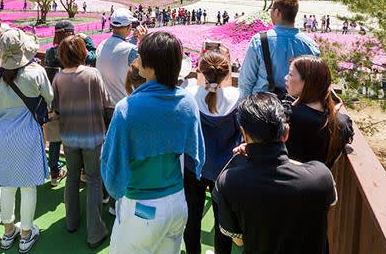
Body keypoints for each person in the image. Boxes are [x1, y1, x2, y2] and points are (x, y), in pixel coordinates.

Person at [101, 31, 205, 254]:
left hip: (142, 207)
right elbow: (197, 154)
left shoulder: (127, 108)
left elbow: (112, 167)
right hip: (177, 202)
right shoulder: (187, 101)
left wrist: (115, 193)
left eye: (140, 56)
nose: (136, 60)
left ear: (150, 67)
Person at [212, 93, 337, 253]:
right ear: (285, 133)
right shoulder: (320, 177)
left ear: (243, 133)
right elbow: (329, 203)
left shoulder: (229, 182)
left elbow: (238, 239)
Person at [0, 28, 52, 253]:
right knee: (28, 187)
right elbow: (49, 97)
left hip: (5, 135)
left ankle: (8, 232)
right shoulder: (35, 73)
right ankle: (26, 233)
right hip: (28, 133)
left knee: (7, 185)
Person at [52, 35, 112, 248]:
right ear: (82, 52)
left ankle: (71, 221)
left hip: (69, 136)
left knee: (72, 178)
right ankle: (95, 231)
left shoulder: (58, 77)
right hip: (93, 135)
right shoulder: (93, 74)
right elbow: (106, 103)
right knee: (94, 179)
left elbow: (56, 107)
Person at [183, 49, 240, 254]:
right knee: (222, 222)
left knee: (192, 218)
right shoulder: (237, 97)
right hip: (224, 171)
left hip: (194, 166)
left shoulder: (189, 95)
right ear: (227, 74)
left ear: (199, 70)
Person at [43, 21, 97, 187]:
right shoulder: (75, 52)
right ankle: (81, 171)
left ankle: (54, 172)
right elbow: (93, 56)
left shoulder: (50, 52)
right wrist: (86, 39)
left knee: (54, 138)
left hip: (55, 99)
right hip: (76, 101)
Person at [238, 0, 319, 99]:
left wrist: (245, 107)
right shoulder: (310, 45)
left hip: (262, 107)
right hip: (295, 108)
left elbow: (246, 81)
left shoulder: (260, 40)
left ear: (277, 12)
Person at [284, 56, 353, 167]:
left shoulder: (290, 117)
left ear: (308, 82)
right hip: (321, 181)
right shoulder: (341, 122)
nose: (286, 77)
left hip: (289, 181)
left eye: (291, 74)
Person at [96, 8, 147, 105]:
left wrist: (135, 38)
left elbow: (119, 48)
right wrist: (144, 40)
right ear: (129, 27)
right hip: (123, 105)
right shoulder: (131, 50)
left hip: (104, 105)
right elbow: (148, 68)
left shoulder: (101, 45)